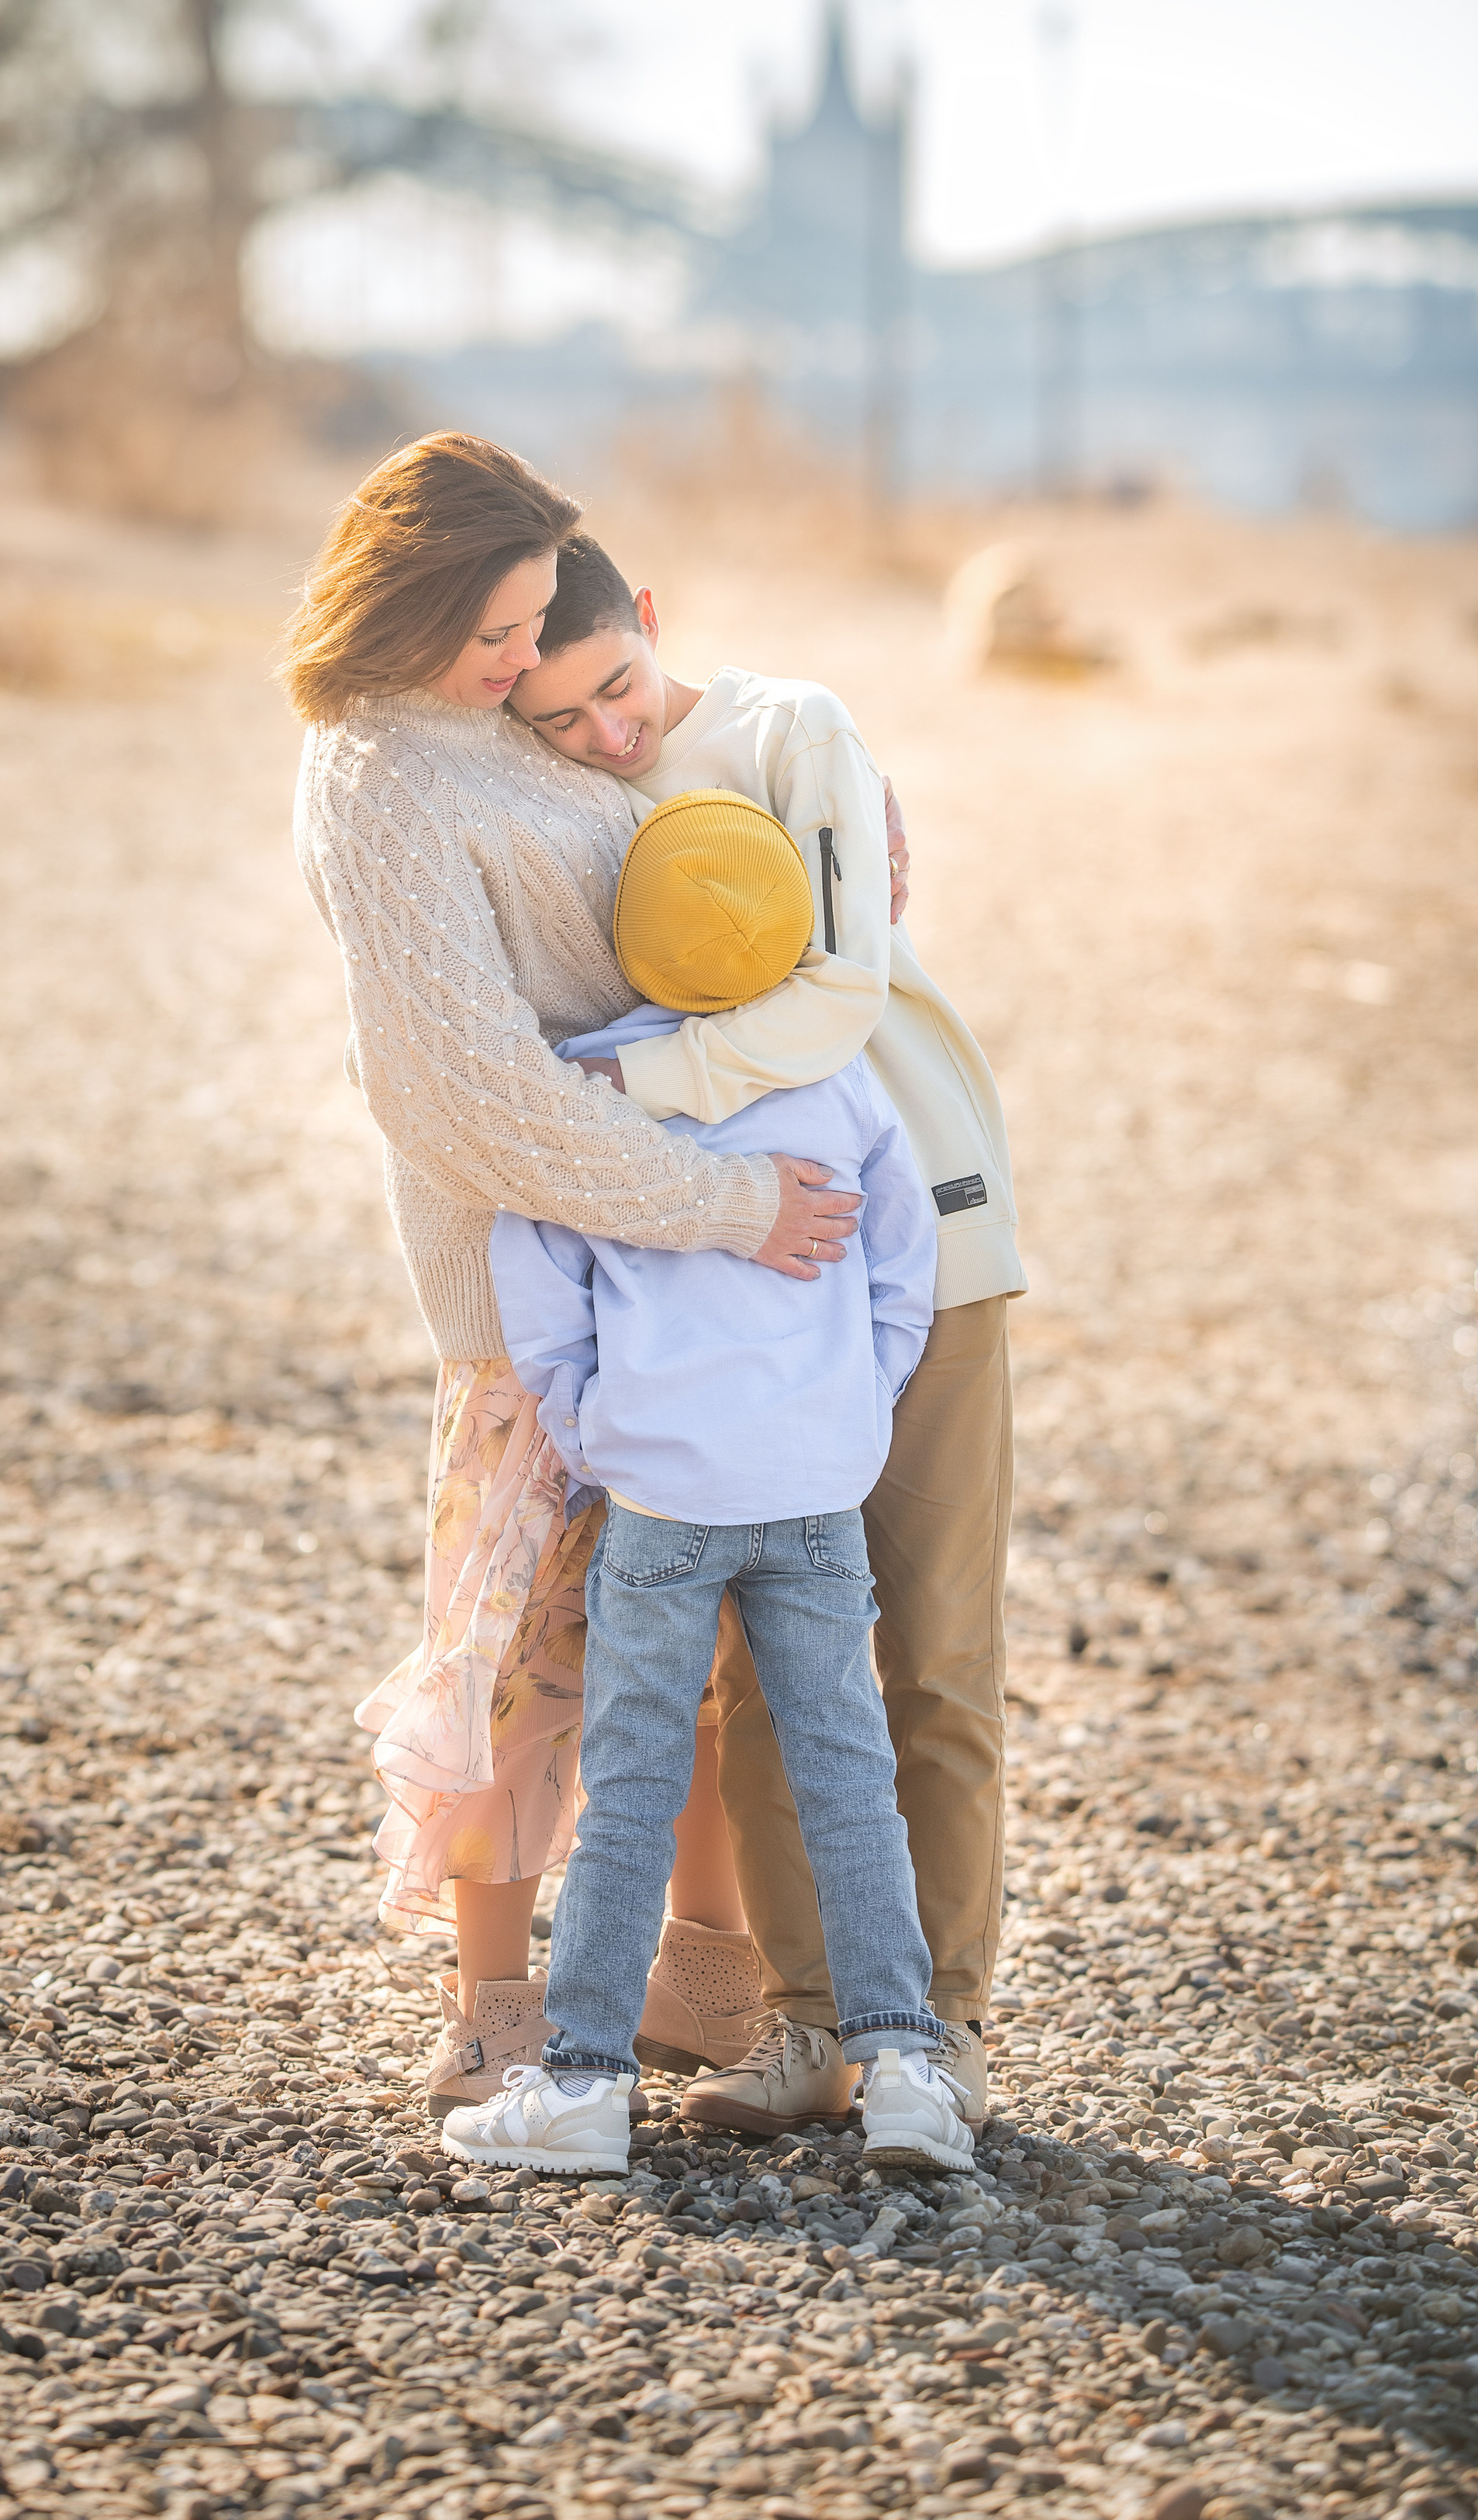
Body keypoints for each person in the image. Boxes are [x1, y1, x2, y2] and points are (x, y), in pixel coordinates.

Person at [284, 436, 866, 2111]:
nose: (518, 665)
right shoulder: (376, 773)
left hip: (664, 1256)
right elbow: (459, 1095)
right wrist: (722, 1204)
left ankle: (699, 1975)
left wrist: (846, 812)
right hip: (540, 1266)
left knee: (689, 1636)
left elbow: (679, 757)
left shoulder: (491, 714)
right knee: (525, 1643)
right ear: (404, 601)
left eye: (535, 626)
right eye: (495, 631)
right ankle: (491, 2003)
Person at [506, 532, 1023, 2136]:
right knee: (749, 1671)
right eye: (561, 716)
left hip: (917, 1222)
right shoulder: (562, 789)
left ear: (651, 623)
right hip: (727, 1284)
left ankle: (936, 2032)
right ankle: (811, 2026)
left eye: (615, 686)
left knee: (928, 1658)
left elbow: (840, 997)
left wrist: (633, 1096)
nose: (607, 733)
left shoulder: (792, 728)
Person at [441, 792, 975, 2178]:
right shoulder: (838, 1079)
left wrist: (594, 1421)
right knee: (847, 1774)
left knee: (631, 1783)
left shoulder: (593, 1090)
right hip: (813, 1487)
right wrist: (859, 1400)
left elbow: (533, 1270)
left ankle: (580, 2089)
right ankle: (909, 2066)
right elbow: (904, 1263)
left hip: (666, 1500)